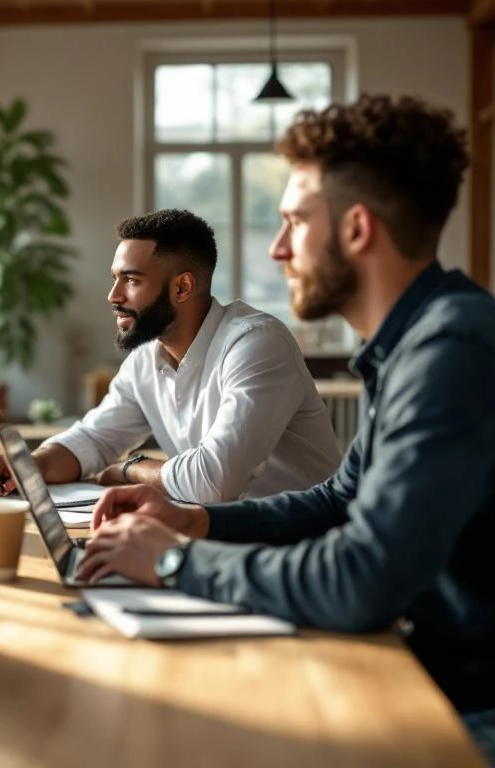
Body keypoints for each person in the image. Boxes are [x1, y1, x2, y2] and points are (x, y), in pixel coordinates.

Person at [77, 94, 495, 762]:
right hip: (420, 667)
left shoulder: (454, 350)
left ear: (357, 230)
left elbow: (361, 576)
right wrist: (195, 524)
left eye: (295, 222)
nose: (277, 248)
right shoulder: (413, 345)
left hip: (464, 706)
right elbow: (338, 501)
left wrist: (174, 561)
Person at [0, 208, 340, 502]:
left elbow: (214, 482)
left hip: (305, 547)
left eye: (131, 280)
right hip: (220, 538)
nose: (113, 295)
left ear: (182, 287)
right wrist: (30, 465)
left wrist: (130, 468)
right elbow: (93, 439)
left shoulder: (257, 343)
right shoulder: (144, 362)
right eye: (115, 279)